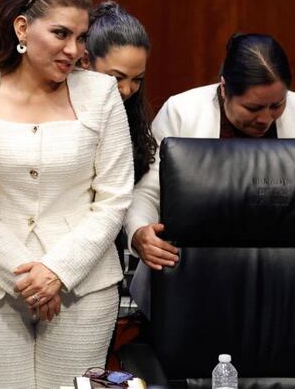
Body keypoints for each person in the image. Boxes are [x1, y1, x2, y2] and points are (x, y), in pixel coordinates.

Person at [0, 0, 133, 389]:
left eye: (81, 37)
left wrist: (57, 271)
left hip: (84, 289)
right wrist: (25, 276)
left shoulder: (100, 93)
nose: (74, 50)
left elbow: (114, 198)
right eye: (61, 33)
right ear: (22, 27)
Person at [124, 33, 294, 315]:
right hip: (191, 280)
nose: (266, 118)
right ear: (225, 89)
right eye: (253, 108)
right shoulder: (181, 112)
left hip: (282, 285)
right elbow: (148, 190)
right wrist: (139, 231)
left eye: (277, 105)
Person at [81, 1, 157, 182]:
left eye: (137, 79)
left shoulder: (134, 121)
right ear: (85, 60)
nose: (127, 90)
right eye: (116, 78)